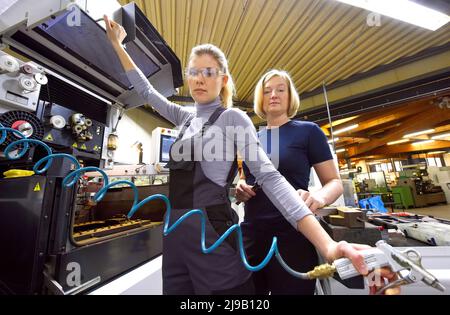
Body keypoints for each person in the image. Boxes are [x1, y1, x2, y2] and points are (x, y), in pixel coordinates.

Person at [103, 15, 393, 295]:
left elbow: (270, 177)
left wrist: (328, 245)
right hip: (175, 237)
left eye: (209, 72)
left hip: (213, 237)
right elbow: (146, 90)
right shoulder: (184, 118)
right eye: (194, 72)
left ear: (223, 79)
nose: (199, 79)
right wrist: (118, 44)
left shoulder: (232, 119)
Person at [236, 69, 399, 295]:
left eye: (280, 90)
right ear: (260, 99)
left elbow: (334, 181)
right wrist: (241, 187)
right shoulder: (251, 137)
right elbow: (246, 177)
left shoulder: (308, 132)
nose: (273, 94)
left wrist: (318, 197)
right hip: (252, 234)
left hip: (294, 233)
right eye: (267, 91)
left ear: (290, 96)